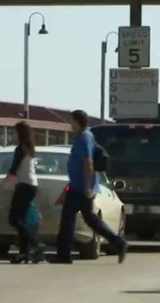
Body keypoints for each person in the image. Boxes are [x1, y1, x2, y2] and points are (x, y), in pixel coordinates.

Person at [53, 110, 128, 264]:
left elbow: (88, 162)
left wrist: (87, 186)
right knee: (90, 219)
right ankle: (118, 242)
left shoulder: (84, 138)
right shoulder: (84, 136)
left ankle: (64, 254)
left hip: (81, 187)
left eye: (72, 121)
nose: (70, 125)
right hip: (79, 185)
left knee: (69, 218)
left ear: (77, 122)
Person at [0, 121, 43, 264]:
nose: (13, 135)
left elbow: (13, 171)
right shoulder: (29, 148)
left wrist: (1, 186)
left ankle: (35, 245)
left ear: (20, 133)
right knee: (21, 219)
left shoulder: (20, 149)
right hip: (31, 185)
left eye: (14, 132)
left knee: (14, 218)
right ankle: (25, 252)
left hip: (24, 186)